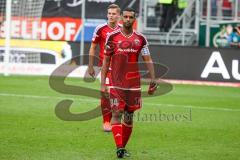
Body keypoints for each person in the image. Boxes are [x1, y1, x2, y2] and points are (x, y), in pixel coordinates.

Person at [101, 7, 158, 158]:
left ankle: (123, 147)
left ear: (134, 19)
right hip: (115, 82)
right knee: (116, 112)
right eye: (125, 17)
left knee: (129, 115)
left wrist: (153, 80)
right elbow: (106, 61)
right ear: (121, 18)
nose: (127, 19)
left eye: (130, 17)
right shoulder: (112, 37)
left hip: (133, 84)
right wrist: (102, 83)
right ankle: (119, 147)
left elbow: (148, 59)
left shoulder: (141, 39)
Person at [88, 4, 121, 132]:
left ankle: (115, 119)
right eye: (109, 13)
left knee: (118, 96)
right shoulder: (100, 28)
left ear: (118, 15)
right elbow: (93, 47)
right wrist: (90, 66)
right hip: (105, 68)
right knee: (106, 94)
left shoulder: (123, 30)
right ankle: (106, 121)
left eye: (113, 14)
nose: (111, 16)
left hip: (119, 69)